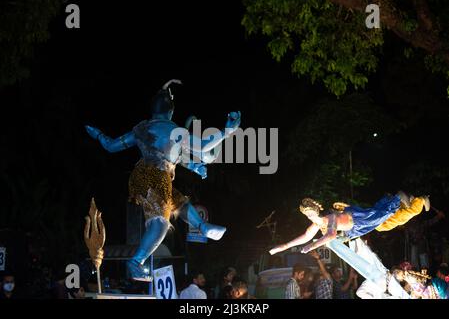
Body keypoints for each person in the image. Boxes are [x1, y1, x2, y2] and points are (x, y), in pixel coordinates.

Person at [85, 79, 241, 281]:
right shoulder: (175, 131)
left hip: (149, 175)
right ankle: (135, 262)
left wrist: (97, 134)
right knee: (160, 223)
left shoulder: (141, 129)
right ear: (171, 111)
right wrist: (227, 131)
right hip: (154, 177)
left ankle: (202, 226)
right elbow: (203, 148)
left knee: (179, 202)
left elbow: (111, 146)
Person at [270, 192, 425, 255]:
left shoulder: (328, 219)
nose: (310, 216)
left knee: (380, 217)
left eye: (311, 213)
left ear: (316, 210)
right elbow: (305, 236)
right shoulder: (317, 224)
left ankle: (398, 197)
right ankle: (396, 200)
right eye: (307, 215)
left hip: (357, 219)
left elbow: (330, 235)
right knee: (380, 219)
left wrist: (312, 246)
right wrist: (284, 246)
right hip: (355, 229)